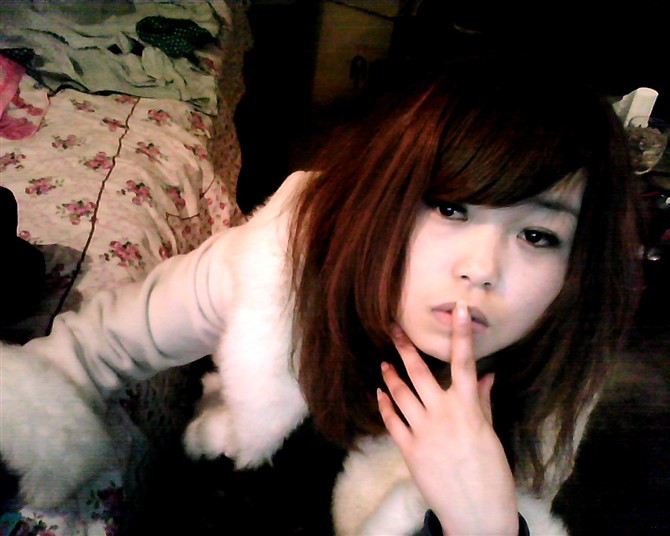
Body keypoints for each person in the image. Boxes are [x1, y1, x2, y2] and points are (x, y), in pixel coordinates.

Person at [0, 57, 641, 535]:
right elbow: (93, 350)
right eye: (451, 208)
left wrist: (488, 525)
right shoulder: (280, 260)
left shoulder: (557, 364)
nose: (480, 270)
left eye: (536, 235)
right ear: (390, 196)